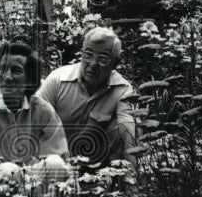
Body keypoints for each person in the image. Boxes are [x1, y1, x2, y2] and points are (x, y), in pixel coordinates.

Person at [0, 42, 70, 187]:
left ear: (30, 79)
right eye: (3, 69)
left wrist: (23, 179)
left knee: (55, 163)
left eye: (16, 71)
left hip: (34, 187)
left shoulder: (43, 111)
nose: (7, 77)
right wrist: (6, 174)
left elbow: (59, 164)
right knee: (7, 170)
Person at [34, 27, 137, 167]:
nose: (93, 65)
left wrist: (132, 177)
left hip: (100, 167)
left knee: (126, 127)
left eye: (103, 59)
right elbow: (33, 123)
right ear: (81, 53)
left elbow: (130, 136)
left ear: (115, 63)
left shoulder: (122, 90)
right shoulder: (57, 80)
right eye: (88, 55)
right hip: (56, 162)